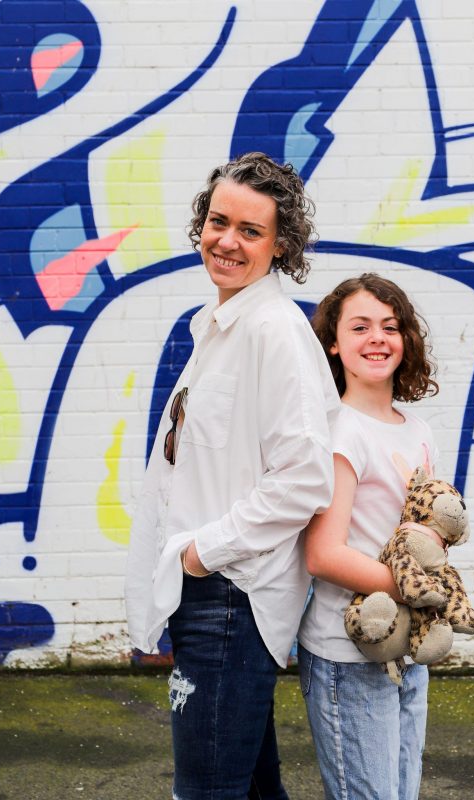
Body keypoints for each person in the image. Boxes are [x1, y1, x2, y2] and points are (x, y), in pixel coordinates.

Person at [125, 152, 340, 800]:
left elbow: (305, 478)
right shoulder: (225, 326)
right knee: (247, 786)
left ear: (279, 246)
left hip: (229, 596)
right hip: (219, 596)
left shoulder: (272, 332)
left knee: (207, 789)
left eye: (250, 231)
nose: (226, 241)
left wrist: (198, 555)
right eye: (219, 221)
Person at [297, 273, 440, 800]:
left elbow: (425, 530)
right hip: (347, 655)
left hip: (407, 646)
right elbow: (322, 553)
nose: (377, 337)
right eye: (360, 327)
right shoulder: (340, 431)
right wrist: (416, 589)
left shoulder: (418, 430)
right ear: (333, 343)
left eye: (390, 325)